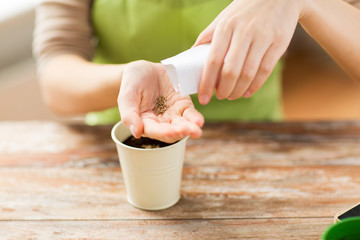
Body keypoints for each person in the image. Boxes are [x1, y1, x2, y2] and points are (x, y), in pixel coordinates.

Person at [33, 0, 360, 143]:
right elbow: (56, 81)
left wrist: (306, 2)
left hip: (254, 141)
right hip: (125, 137)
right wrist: (129, 79)